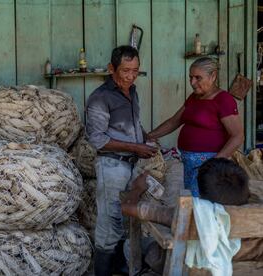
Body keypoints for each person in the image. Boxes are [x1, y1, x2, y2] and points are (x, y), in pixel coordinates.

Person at [85, 45, 157, 276]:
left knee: (127, 222)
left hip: (132, 165)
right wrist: (137, 146)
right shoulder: (100, 97)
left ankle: (121, 269)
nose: (130, 76)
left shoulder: (132, 91)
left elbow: (133, 126)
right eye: (125, 70)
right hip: (112, 166)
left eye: (135, 70)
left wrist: (147, 140)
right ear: (111, 68)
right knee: (109, 223)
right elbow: (98, 139)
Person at [121, 158, 251, 274]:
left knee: (150, 245)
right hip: (245, 268)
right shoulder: (252, 216)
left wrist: (137, 188)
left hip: (184, 269)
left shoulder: (192, 213)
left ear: (199, 190)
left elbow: (126, 208)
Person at [147, 57, 244, 196]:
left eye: (198, 78)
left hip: (209, 164)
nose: (192, 83)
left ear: (213, 76)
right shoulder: (194, 97)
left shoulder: (224, 100)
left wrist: (215, 162)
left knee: (203, 202)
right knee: (193, 200)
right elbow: (174, 121)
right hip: (188, 163)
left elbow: (238, 136)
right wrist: (149, 136)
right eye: (190, 77)